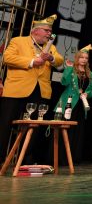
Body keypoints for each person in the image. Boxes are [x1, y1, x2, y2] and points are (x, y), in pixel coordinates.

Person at [0, 14, 63, 163]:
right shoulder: (18, 41)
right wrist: (33, 61)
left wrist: (51, 58)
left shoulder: (51, 46)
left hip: (40, 91)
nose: (49, 33)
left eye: (50, 31)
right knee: (5, 124)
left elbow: (60, 61)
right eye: (46, 30)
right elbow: (7, 58)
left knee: (33, 126)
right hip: (16, 90)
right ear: (35, 31)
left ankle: (24, 159)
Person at [55, 45, 92, 164]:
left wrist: (87, 94)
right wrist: (68, 68)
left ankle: (73, 158)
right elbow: (64, 82)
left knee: (76, 131)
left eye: (86, 58)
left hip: (81, 106)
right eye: (81, 57)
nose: (84, 60)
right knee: (64, 130)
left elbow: (91, 90)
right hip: (68, 103)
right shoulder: (71, 70)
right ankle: (60, 158)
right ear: (77, 58)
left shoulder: (91, 74)